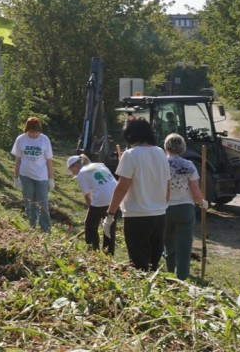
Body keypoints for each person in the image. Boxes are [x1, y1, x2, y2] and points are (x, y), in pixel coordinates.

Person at [106, 116, 171, 270]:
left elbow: (122, 188)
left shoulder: (131, 154)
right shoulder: (161, 152)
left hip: (137, 217)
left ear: (129, 135)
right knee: (153, 265)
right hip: (159, 216)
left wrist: (110, 215)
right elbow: (167, 185)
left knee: (139, 265)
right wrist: (163, 205)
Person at [163, 133, 208, 280]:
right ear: (183, 147)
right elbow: (195, 191)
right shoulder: (189, 165)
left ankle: (170, 273)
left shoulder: (160, 163)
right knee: (184, 244)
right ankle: (182, 276)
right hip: (185, 209)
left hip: (165, 208)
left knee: (168, 242)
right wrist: (202, 202)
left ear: (166, 146)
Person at [11, 116, 55, 234]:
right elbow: (18, 160)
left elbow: (48, 161)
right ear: (27, 130)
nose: (34, 135)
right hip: (25, 175)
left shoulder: (44, 140)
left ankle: (46, 230)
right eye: (31, 132)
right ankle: (31, 227)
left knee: (43, 204)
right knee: (29, 203)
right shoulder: (21, 139)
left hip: (41, 177)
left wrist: (51, 179)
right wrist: (16, 178)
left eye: (36, 132)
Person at [67, 153, 118, 254]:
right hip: (116, 196)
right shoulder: (99, 164)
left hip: (102, 198)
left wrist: (94, 212)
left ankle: (92, 251)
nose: (73, 173)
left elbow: (87, 196)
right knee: (109, 226)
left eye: (72, 170)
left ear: (75, 165)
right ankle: (108, 254)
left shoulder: (82, 173)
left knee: (90, 225)